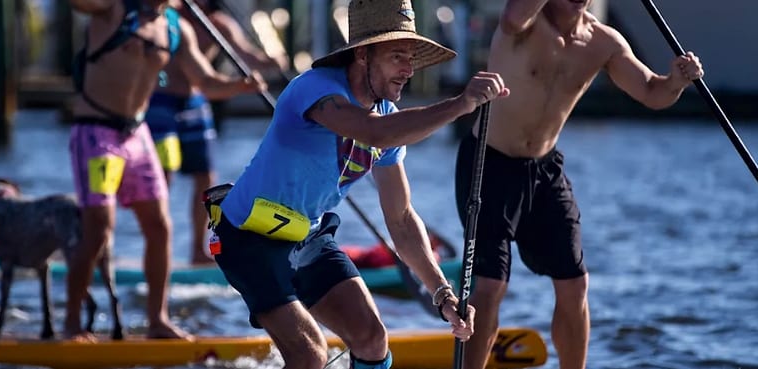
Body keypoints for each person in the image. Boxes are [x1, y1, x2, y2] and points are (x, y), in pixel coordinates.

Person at [208, 0, 509, 367]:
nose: (408, 70)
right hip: (248, 236)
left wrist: (443, 295)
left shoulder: (388, 117)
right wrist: (461, 104)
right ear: (363, 55)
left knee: (372, 339)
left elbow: (401, 219)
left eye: (411, 58)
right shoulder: (315, 88)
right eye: (397, 56)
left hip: (307, 236)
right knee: (310, 355)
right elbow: (372, 132)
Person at [453, 1, 704, 368]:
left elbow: (652, 92)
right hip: (489, 162)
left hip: (544, 170)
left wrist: (677, 81)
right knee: (491, 286)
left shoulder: (604, 43)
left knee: (575, 284)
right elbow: (511, 18)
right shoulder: (525, 22)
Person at [65, 0, 264, 341]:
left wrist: (240, 86)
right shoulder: (112, 9)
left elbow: (206, 81)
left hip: (137, 135)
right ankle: (72, 324)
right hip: (96, 133)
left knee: (159, 227)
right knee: (98, 228)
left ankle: (158, 320)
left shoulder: (175, 27)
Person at [144, 0, 288, 265]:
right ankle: (157, 250)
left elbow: (244, 56)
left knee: (206, 177)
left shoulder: (220, 24)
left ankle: (198, 251)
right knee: (163, 176)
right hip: (161, 101)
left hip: (196, 101)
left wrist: (267, 64)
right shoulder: (166, 17)